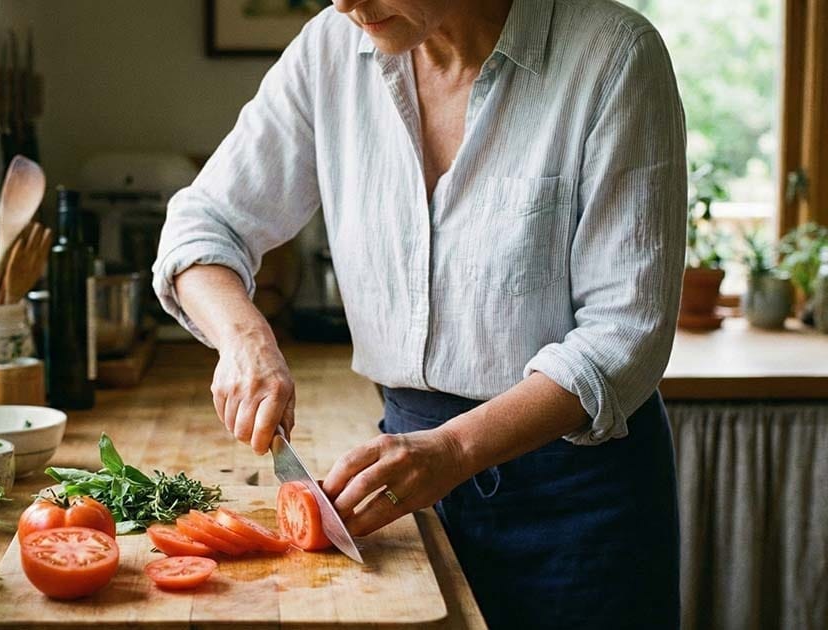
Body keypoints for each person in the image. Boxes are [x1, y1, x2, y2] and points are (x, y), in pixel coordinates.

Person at [153, 0, 686, 628]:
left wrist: (454, 451)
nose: (346, 2)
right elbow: (204, 225)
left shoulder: (615, 56)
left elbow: (625, 334)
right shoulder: (329, 49)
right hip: (406, 486)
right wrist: (245, 341)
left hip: (578, 497)